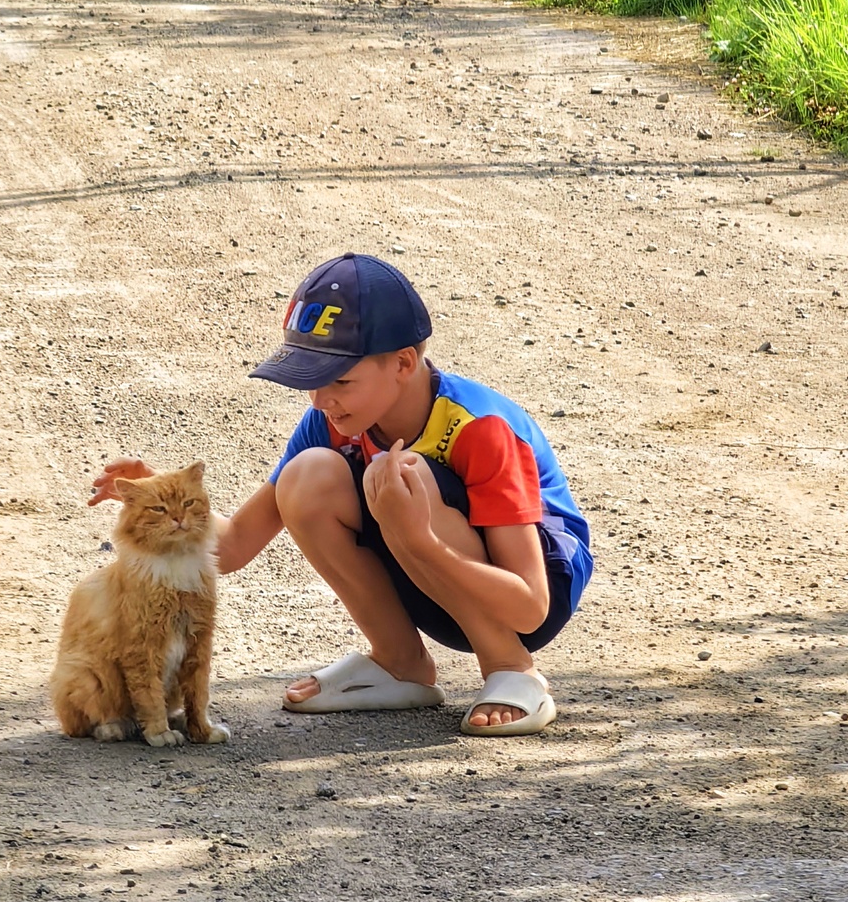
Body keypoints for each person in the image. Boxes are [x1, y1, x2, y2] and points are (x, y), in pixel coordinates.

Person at [90, 252, 591, 735]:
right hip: (432, 575)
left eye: (341, 380)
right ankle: (400, 663)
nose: (322, 399)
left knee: (402, 473)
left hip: (527, 593)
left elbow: (530, 607)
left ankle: (511, 670)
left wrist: (420, 540)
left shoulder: (480, 428)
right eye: (311, 381)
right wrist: (154, 495)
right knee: (306, 475)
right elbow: (236, 546)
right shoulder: (329, 422)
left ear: (403, 362)